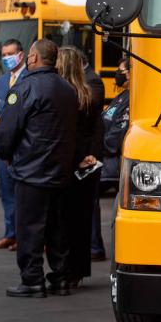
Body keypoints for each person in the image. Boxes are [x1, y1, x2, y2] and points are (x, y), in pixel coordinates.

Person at [0, 39, 77, 298]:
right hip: (60, 170)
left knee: (30, 229)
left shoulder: (24, 88)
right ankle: (61, 278)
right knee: (58, 228)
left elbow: (7, 129)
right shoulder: (68, 89)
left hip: (31, 170)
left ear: (32, 59)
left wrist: (6, 156)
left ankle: (32, 280)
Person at [55, 47, 104, 287]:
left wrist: (77, 157)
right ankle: (78, 270)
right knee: (81, 219)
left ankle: (65, 269)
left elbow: (66, 133)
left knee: (63, 219)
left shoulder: (63, 95)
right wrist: (91, 155)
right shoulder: (88, 92)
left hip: (68, 162)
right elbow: (97, 128)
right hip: (86, 164)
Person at [0, 39, 26, 251]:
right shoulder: (2, 81)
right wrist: (4, 106)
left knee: (23, 194)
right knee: (7, 193)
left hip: (22, 146)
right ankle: (10, 234)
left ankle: (23, 237)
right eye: (4, 55)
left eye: (11, 53)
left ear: (21, 54)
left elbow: (21, 110)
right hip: (3, 146)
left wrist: (2, 106)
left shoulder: (29, 78)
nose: (7, 58)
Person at [93, 56, 129, 262]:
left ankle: (94, 247)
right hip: (106, 161)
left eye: (120, 70)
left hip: (112, 166)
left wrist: (98, 147)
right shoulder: (120, 97)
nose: (117, 73)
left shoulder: (132, 99)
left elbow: (115, 138)